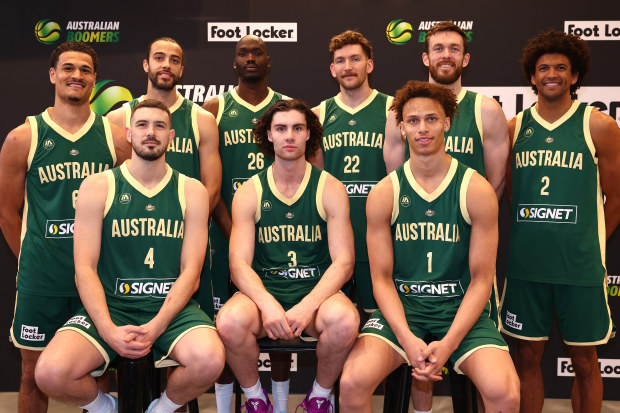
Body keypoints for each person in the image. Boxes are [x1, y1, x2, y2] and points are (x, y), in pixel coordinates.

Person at [34, 99, 225, 413]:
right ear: (128, 133)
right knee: (50, 372)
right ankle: (107, 408)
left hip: (171, 308)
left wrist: (157, 325)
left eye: (160, 126)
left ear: (172, 137)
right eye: (142, 125)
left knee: (211, 359)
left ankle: (160, 409)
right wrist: (108, 329)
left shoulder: (192, 190)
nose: (151, 132)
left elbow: (191, 273)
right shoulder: (97, 186)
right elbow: (84, 269)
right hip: (113, 306)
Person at [339, 80, 520, 413]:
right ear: (402, 127)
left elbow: (482, 279)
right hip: (404, 311)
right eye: (413, 120)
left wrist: (448, 344)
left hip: (461, 312)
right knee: (351, 384)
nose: (422, 128)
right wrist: (407, 339)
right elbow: (380, 279)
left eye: (432, 119)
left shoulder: (475, 189)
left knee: (505, 394)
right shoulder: (384, 193)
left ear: (448, 123)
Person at [384, 22, 510, 411]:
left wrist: (463, 222)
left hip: (465, 238)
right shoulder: (399, 112)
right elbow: (394, 177)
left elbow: (496, 180)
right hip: (415, 237)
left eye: (454, 49)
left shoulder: (486, 108)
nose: (445, 56)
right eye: (437, 48)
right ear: (425, 57)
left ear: (465, 58)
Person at [0, 41, 130, 413]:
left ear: (94, 79)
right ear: (53, 74)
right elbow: (8, 212)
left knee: (99, 372)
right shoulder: (22, 137)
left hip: (98, 277)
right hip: (42, 280)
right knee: (32, 372)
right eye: (69, 68)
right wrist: (32, 259)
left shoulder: (115, 139)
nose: (77, 75)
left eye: (85, 70)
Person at [500, 30, 620, 413]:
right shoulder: (514, 128)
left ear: (575, 75)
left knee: (585, 362)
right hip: (527, 267)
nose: (552, 74)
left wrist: (590, 243)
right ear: (532, 77)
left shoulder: (599, 125)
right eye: (543, 68)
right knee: (527, 359)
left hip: (579, 269)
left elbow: (615, 198)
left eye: (561, 68)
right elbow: (515, 197)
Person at [216, 99, 359, 413]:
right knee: (228, 322)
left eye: (297, 128)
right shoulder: (250, 191)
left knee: (345, 321)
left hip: (316, 294)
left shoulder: (330, 188)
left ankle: (318, 398)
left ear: (309, 134)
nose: (289, 136)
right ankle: (256, 400)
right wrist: (267, 304)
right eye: (281, 128)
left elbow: (345, 261)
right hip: (264, 291)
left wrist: (308, 306)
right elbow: (238, 264)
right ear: (269, 135)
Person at [202, 35, 291, 413]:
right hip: (226, 232)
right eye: (243, 53)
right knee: (224, 325)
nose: (251, 58)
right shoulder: (215, 107)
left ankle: (282, 404)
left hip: (276, 233)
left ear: (269, 61)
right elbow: (212, 183)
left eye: (258, 53)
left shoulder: (286, 107)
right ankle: (225, 408)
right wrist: (235, 231)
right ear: (234, 63)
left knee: (283, 322)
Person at [107, 36, 221, 320]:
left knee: (186, 334)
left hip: (184, 237)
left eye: (174, 60)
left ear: (182, 70)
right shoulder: (119, 118)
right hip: (133, 236)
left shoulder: (201, 118)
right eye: (159, 58)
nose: (166, 65)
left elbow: (213, 188)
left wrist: (188, 230)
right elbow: (110, 185)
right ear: (146, 64)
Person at [312, 30, 392, 314]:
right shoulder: (318, 115)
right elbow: (317, 183)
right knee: (338, 325)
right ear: (332, 69)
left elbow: (399, 181)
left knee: (379, 323)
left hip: (380, 237)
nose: (348, 67)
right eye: (341, 61)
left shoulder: (393, 110)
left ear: (369, 65)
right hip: (336, 242)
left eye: (355, 59)